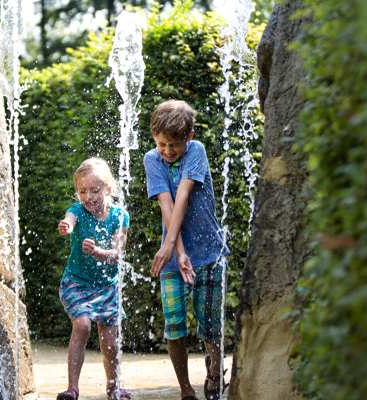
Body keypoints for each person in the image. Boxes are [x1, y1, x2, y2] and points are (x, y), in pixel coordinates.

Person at [142, 100, 230, 400]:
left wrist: (169, 245)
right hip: (173, 257)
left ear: (189, 136)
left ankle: (216, 372)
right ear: (154, 136)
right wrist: (176, 252)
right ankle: (185, 388)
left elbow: (182, 195)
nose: (167, 151)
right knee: (174, 326)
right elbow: (167, 205)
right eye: (162, 143)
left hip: (208, 252)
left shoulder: (197, 151)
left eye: (174, 145)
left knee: (210, 323)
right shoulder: (152, 159)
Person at [56, 157, 132, 400]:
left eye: (94, 190)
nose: (88, 196)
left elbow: (118, 254)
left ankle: (114, 386)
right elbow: (70, 219)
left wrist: (98, 252)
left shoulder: (120, 216)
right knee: (82, 325)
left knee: (109, 341)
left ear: (108, 190)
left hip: (106, 287)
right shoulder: (77, 210)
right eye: (82, 191)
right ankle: (72, 388)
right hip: (77, 282)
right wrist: (66, 226)